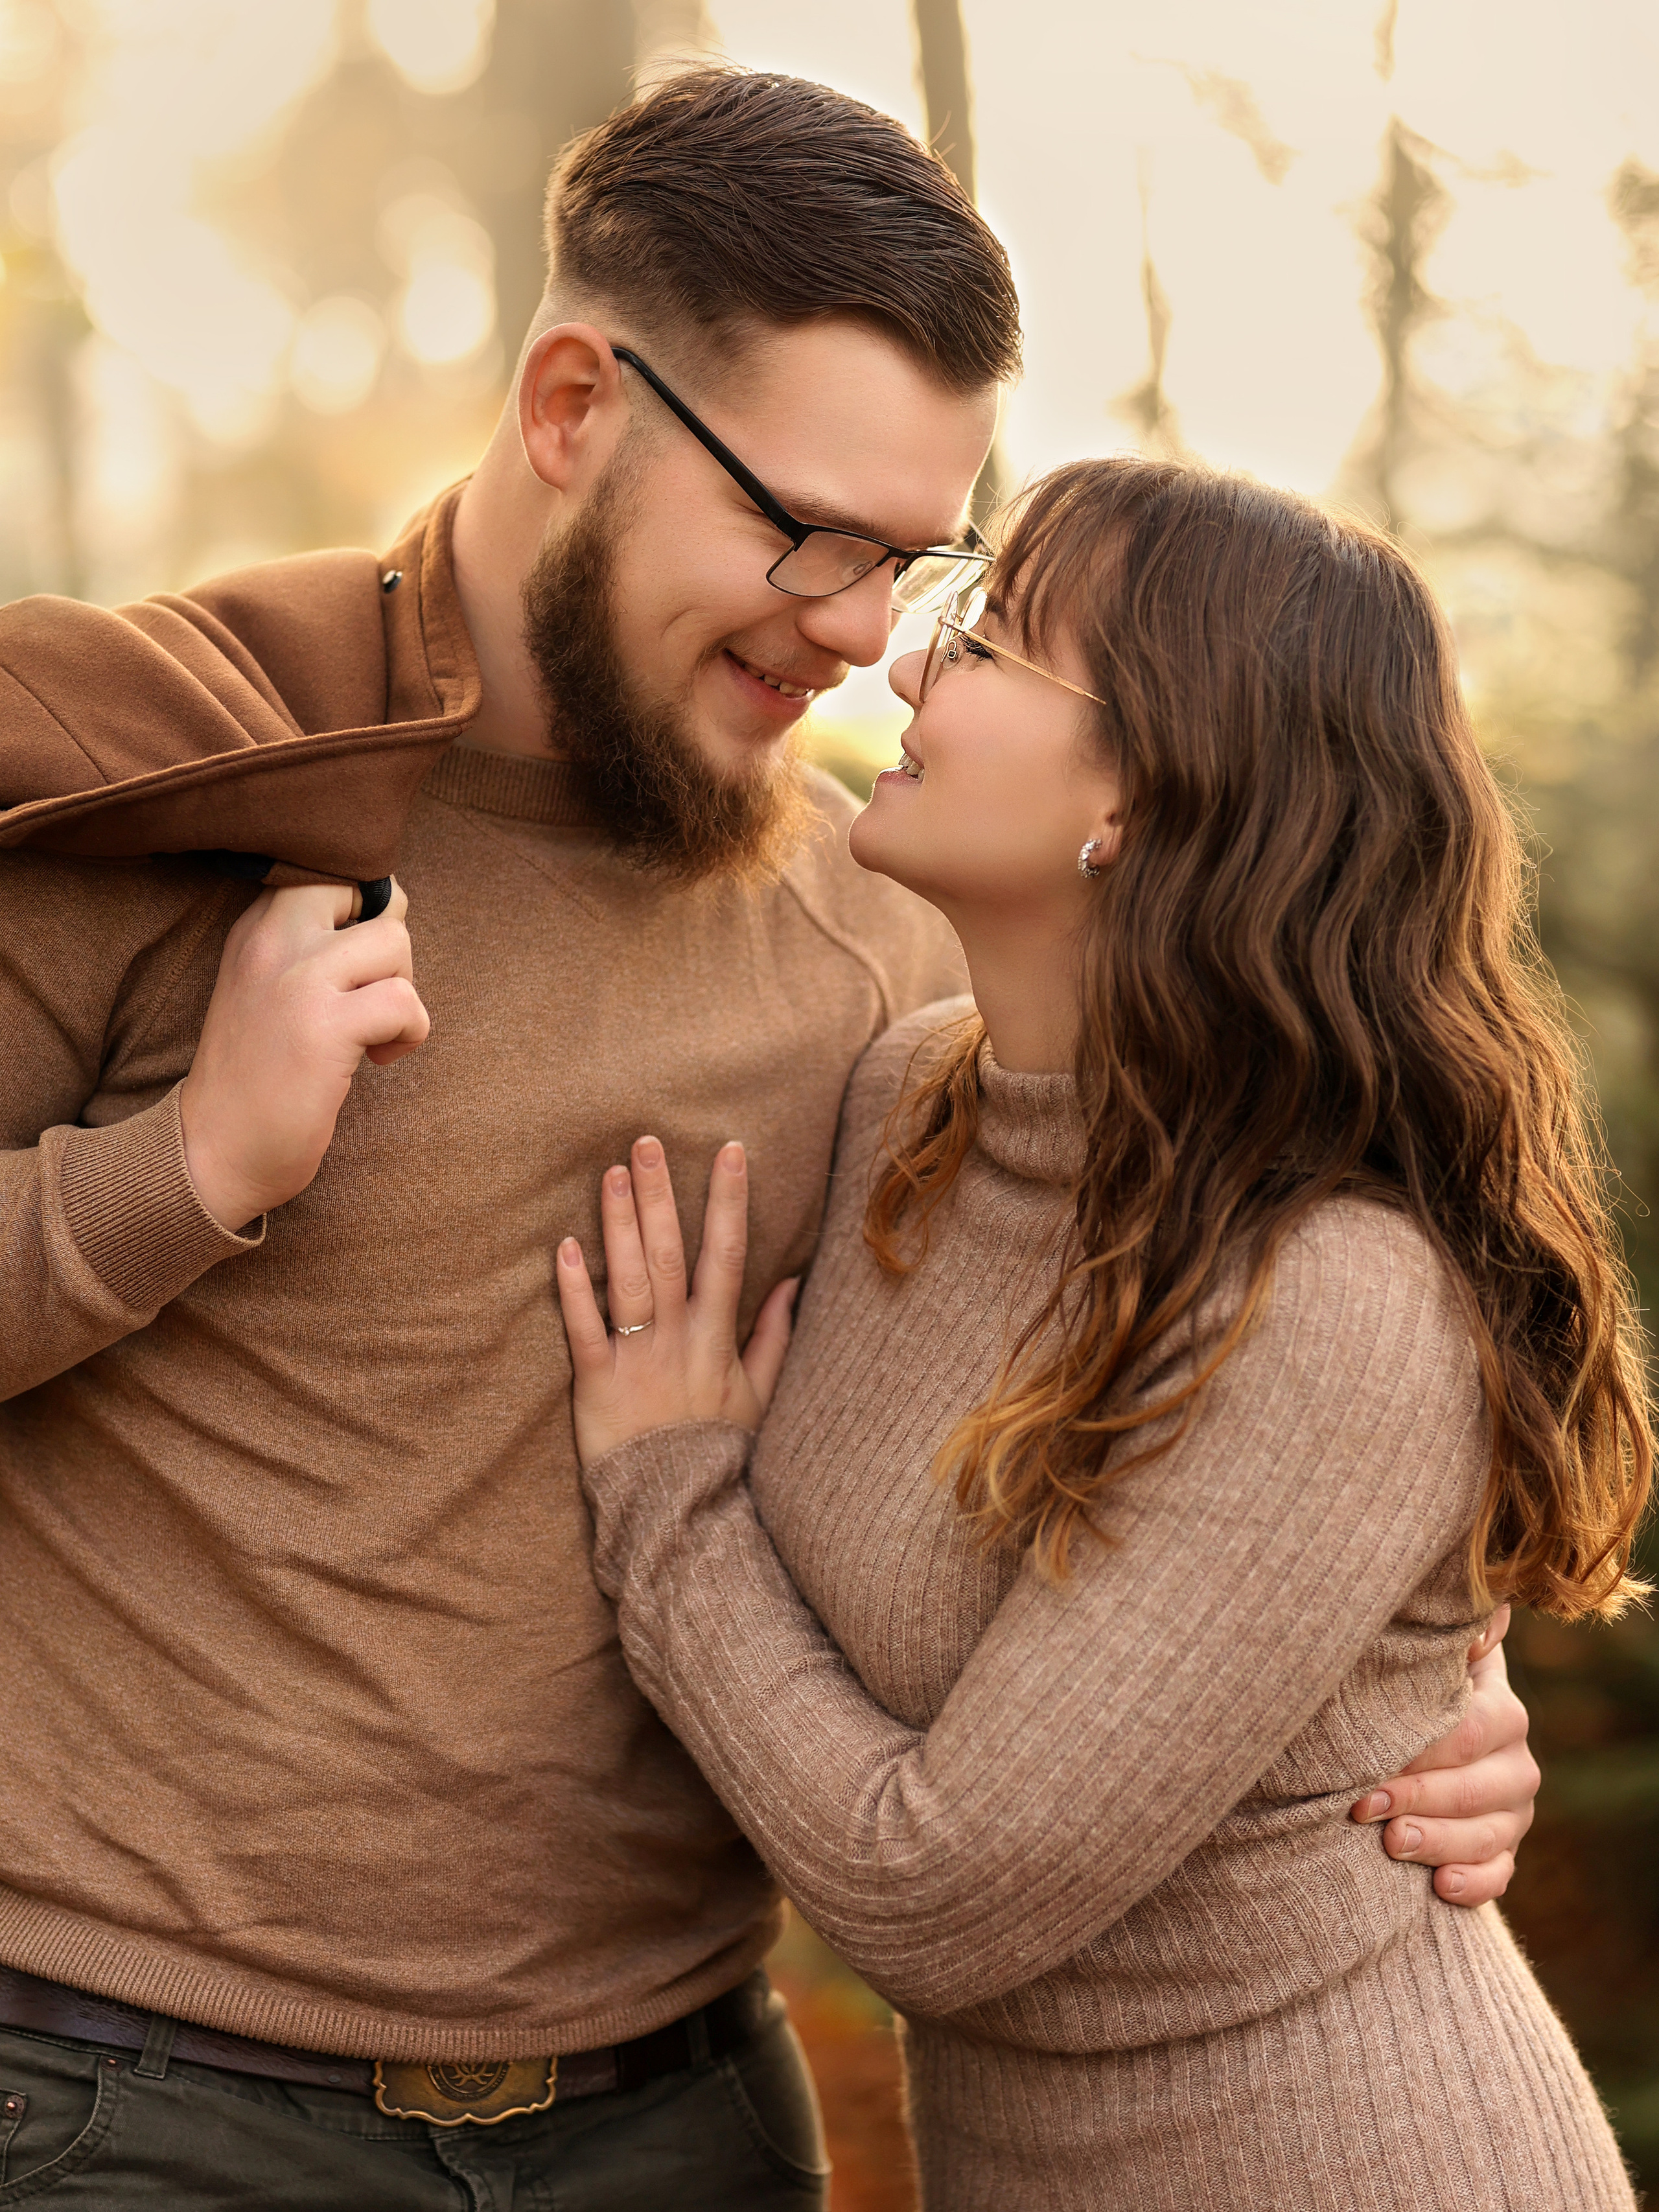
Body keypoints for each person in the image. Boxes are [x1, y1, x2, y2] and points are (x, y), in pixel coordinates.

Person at [0, 64, 1530, 2207]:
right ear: (569, 411)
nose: (856, 633)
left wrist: (1417, 1710)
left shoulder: (897, 936)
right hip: (133, 2107)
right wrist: (191, 1171)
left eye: (916, 563)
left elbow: (1219, 1353)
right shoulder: (174, 794)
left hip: (684, 2120)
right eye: (807, 533)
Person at [557, 456, 1649, 2209]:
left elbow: (938, 1896)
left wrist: (669, 1497)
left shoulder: (1334, 1300)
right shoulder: (918, 1101)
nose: (904, 666)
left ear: (1141, 796)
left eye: (983, 643)